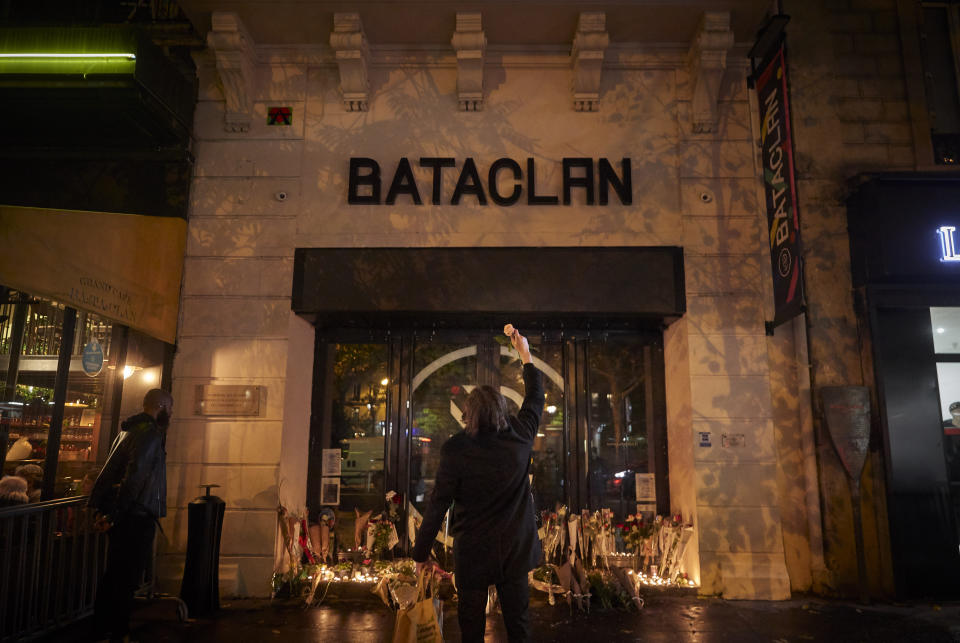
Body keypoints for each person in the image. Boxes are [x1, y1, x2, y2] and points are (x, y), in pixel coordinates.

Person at [413, 326, 544, 643]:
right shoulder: (521, 436)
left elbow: (438, 503)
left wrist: (420, 553)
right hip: (515, 551)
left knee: (470, 627)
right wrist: (525, 354)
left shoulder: (456, 449)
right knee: (519, 624)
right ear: (502, 410)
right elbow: (536, 397)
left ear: (468, 414)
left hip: (472, 552)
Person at [88, 388, 173, 643]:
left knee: (115, 572)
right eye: (170, 407)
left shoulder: (128, 430)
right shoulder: (149, 434)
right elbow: (134, 478)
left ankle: (102, 627)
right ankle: (119, 631)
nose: (172, 413)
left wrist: (110, 512)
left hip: (126, 512)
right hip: (135, 515)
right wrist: (116, 514)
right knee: (127, 576)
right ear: (160, 406)